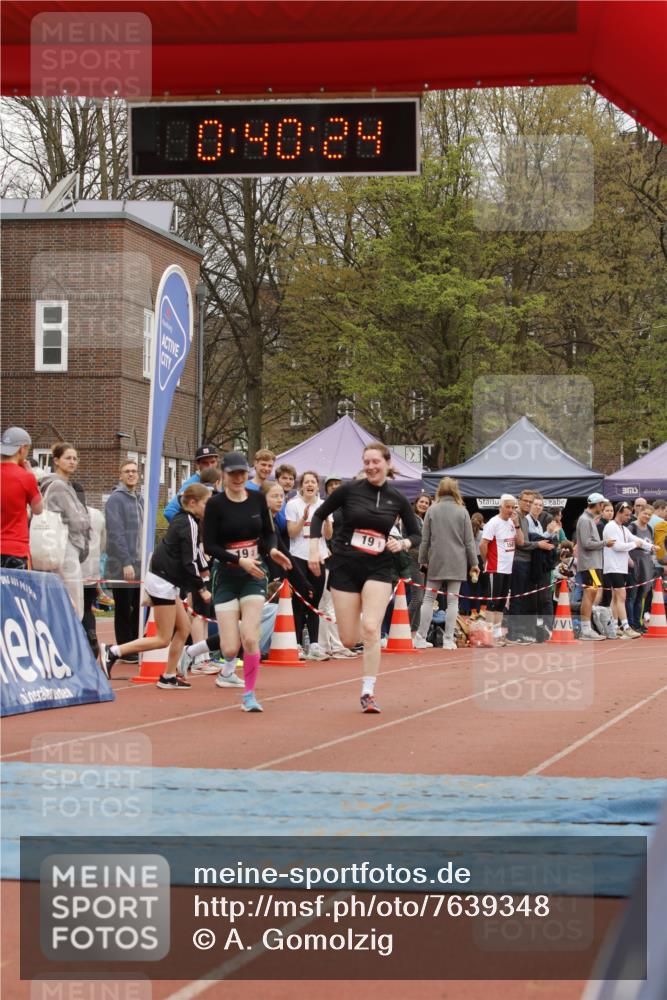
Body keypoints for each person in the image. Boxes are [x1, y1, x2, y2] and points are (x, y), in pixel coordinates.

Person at [308, 442, 421, 714]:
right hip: (345, 566)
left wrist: (403, 543)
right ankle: (360, 622)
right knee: (349, 639)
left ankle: (368, 691)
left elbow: (416, 534)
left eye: (376, 462)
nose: (371, 466)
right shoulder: (349, 490)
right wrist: (315, 548)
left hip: (379, 567)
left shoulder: (397, 498)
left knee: (371, 628)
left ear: (386, 464)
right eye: (366, 462)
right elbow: (319, 514)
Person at [203, 452, 291, 712]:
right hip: (226, 576)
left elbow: (268, 533)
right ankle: (218, 660)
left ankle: (249, 695)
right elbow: (209, 545)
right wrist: (237, 560)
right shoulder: (216, 505)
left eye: (242, 473)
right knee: (230, 648)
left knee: (251, 638)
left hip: (254, 575)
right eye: (234, 474)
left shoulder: (256, 500)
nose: (239, 478)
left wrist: (272, 550)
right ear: (224, 474)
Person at [100, 484, 212, 685]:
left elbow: (195, 554)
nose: (209, 508)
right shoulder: (188, 523)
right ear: (193, 503)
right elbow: (189, 561)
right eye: (207, 503)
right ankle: (114, 651)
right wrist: (201, 588)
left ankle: (168, 676)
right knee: (162, 638)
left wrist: (205, 570)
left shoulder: (188, 520)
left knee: (184, 628)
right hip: (163, 581)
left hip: (167, 580)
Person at [414, 477, 477, 650]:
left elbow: (425, 540)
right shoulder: (462, 511)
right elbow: (469, 541)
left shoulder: (432, 510)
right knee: (452, 602)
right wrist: (474, 563)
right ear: (456, 490)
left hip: (436, 560)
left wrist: (422, 561)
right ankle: (449, 639)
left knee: (428, 599)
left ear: (439, 490)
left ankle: (420, 635)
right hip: (457, 561)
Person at [39, 443, 91, 620]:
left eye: (75, 458)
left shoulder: (65, 486)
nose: (73, 462)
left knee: (64, 598)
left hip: (60, 546)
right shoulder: (58, 486)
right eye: (68, 458)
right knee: (74, 599)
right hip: (65, 546)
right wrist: (84, 517)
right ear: (56, 461)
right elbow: (79, 521)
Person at [286, 471, 332, 660]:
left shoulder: (324, 506)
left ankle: (314, 644)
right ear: (301, 486)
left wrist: (327, 519)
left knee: (315, 602)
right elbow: (291, 533)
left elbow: (328, 536)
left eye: (313, 482)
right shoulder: (292, 505)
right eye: (307, 482)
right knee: (298, 601)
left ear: (318, 486)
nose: (310, 485)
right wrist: (303, 518)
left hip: (320, 556)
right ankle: (296, 644)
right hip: (298, 556)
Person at [104, 459, 144, 655]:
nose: (131, 474)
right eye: (127, 471)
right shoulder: (115, 499)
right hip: (122, 563)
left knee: (139, 605)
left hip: (140, 561)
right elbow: (115, 531)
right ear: (120, 475)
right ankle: (123, 649)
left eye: (134, 471)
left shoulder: (140, 499)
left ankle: (136, 645)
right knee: (123, 607)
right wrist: (126, 562)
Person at [603, 501, 655, 638]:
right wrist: (634, 544)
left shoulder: (623, 528)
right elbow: (617, 546)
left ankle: (614, 626)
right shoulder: (610, 527)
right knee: (622, 596)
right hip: (613, 566)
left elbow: (635, 538)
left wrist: (650, 547)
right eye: (626, 515)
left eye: (629, 515)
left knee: (615, 597)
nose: (628, 517)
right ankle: (626, 626)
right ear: (619, 512)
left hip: (620, 567)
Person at [478, 495, 524, 645]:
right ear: (501, 507)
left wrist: (517, 525)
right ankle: (489, 636)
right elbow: (482, 545)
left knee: (501, 603)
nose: (511, 510)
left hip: (507, 569)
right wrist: (487, 562)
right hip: (494, 568)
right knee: (493, 603)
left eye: (513, 507)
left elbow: (521, 542)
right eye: (508, 507)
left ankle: (497, 635)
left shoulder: (512, 522)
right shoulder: (493, 522)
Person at [0, 426, 43, 569]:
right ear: (22, 449)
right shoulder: (25, 477)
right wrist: (33, 478)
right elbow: (38, 509)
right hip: (15, 549)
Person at [575, 492, 616, 640]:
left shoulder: (588, 519)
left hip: (593, 563)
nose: (604, 507)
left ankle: (587, 628)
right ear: (598, 505)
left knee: (591, 593)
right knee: (589, 594)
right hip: (590, 564)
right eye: (603, 505)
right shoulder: (585, 520)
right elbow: (586, 544)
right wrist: (605, 543)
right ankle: (586, 629)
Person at [163, 445, 220, 522]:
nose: (210, 466)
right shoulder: (192, 484)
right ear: (197, 465)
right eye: (205, 463)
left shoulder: (223, 481)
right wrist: (189, 528)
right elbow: (169, 511)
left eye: (212, 462)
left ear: (217, 462)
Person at [627, 504, 656, 632]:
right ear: (639, 512)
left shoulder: (649, 528)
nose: (647, 516)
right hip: (634, 565)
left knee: (640, 597)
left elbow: (651, 547)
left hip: (646, 567)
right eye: (645, 513)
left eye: (650, 514)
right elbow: (626, 545)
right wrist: (629, 561)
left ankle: (638, 624)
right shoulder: (632, 527)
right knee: (631, 596)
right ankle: (630, 624)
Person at [407, 493, 432, 635]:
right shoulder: (412, 519)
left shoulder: (423, 520)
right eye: (421, 502)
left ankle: (413, 633)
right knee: (417, 598)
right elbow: (416, 542)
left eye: (426, 503)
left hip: (420, 562)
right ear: (416, 503)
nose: (423, 504)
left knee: (420, 599)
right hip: (412, 559)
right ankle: (405, 629)